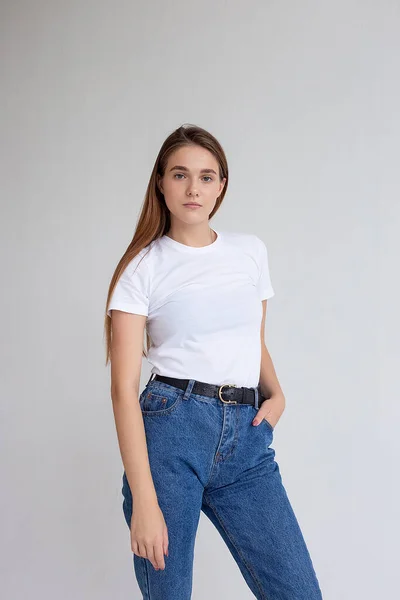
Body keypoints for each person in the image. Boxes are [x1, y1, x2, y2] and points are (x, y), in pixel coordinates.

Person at [104, 124, 323, 599]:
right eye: (180, 175)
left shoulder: (249, 252)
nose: (193, 188)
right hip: (170, 434)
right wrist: (144, 498)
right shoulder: (142, 266)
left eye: (206, 177)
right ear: (160, 182)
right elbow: (123, 388)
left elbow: (251, 338)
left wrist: (278, 393)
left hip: (246, 440)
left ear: (221, 184)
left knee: (298, 591)